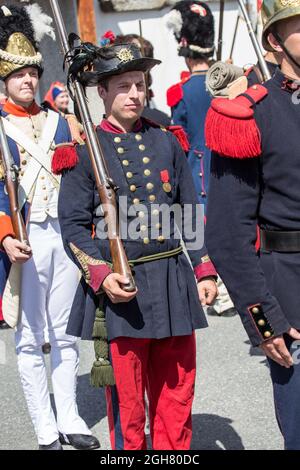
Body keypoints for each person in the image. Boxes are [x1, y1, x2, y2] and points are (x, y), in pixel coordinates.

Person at [57, 41, 218, 450]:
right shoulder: (84, 152)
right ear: (102, 92)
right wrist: (101, 274)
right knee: (129, 407)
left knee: (177, 393)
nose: (134, 94)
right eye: (124, 85)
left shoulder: (167, 141)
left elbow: (187, 207)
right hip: (122, 288)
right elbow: (73, 226)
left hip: (171, 281)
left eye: (140, 85)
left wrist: (202, 269)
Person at [0, 4, 99, 450]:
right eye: (18, 76)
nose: (28, 81)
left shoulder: (63, 122)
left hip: (65, 234)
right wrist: (5, 234)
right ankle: (44, 426)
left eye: (32, 73)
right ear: (4, 80)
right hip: (24, 238)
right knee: (29, 337)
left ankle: (71, 417)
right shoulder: (1, 128)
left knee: (64, 332)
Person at [205, 0, 300, 450]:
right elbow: (226, 236)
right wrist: (264, 322)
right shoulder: (246, 114)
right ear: (273, 40)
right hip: (294, 300)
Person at [165, 0, 236, 317]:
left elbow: (179, 138)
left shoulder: (179, 92)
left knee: (206, 226)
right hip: (230, 157)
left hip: (198, 165)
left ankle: (218, 288)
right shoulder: (231, 82)